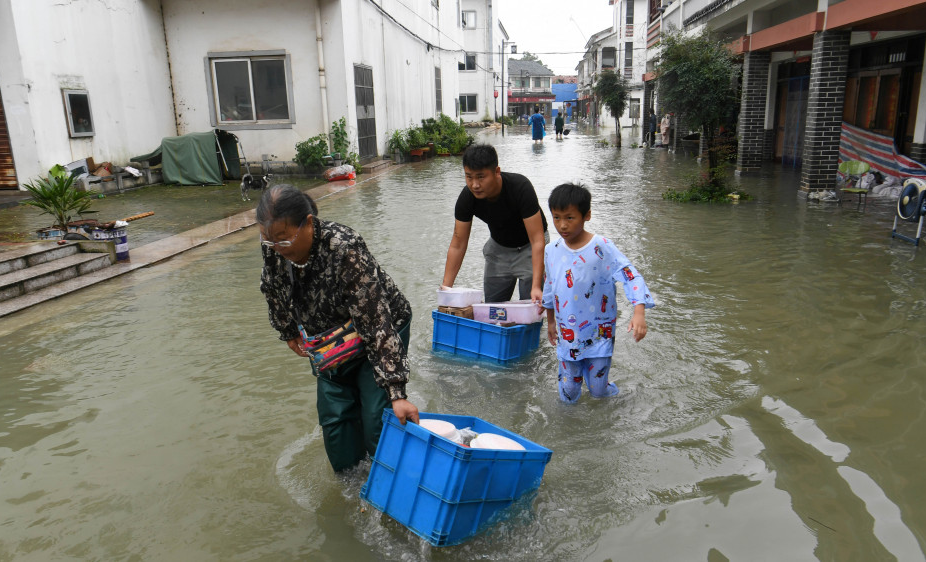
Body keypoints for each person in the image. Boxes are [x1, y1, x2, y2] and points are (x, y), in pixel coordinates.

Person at [257, 184, 419, 473]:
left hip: (379, 330)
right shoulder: (274, 245)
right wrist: (287, 330)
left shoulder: (344, 247)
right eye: (269, 242)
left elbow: (375, 320)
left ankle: (390, 483)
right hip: (329, 340)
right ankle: (353, 491)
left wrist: (397, 392)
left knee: (375, 420)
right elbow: (272, 285)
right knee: (336, 428)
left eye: (283, 240)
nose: (277, 249)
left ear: (308, 223)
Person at [541, 183, 656, 403]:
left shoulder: (602, 246)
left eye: (569, 218)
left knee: (598, 391)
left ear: (587, 216)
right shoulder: (551, 250)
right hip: (568, 336)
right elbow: (551, 285)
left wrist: (639, 311)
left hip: (598, 334)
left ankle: (616, 396)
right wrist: (551, 322)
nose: (562, 225)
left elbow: (630, 275)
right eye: (556, 218)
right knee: (568, 393)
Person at [441, 143, 548, 304]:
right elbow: (458, 243)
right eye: (469, 177)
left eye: (481, 177)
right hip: (499, 249)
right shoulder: (467, 198)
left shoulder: (520, 187)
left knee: (531, 306)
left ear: (496, 172)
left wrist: (536, 287)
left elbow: (537, 240)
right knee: (492, 310)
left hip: (530, 248)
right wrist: (446, 290)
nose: (474, 185)